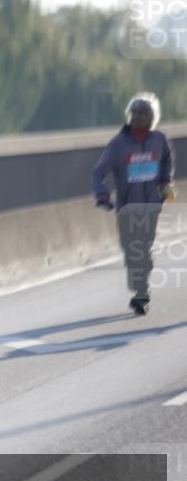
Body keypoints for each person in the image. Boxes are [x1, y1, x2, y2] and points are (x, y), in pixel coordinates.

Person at [91, 92, 175, 315]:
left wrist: (166, 182)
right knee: (130, 251)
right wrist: (101, 194)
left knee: (142, 249)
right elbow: (99, 172)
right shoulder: (118, 144)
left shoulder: (159, 140)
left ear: (152, 117)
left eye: (142, 112)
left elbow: (167, 160)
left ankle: (141, 294)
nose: (136, 116)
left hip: (150, 207)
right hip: (126, 208)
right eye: (134, 112)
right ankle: (140, 286)